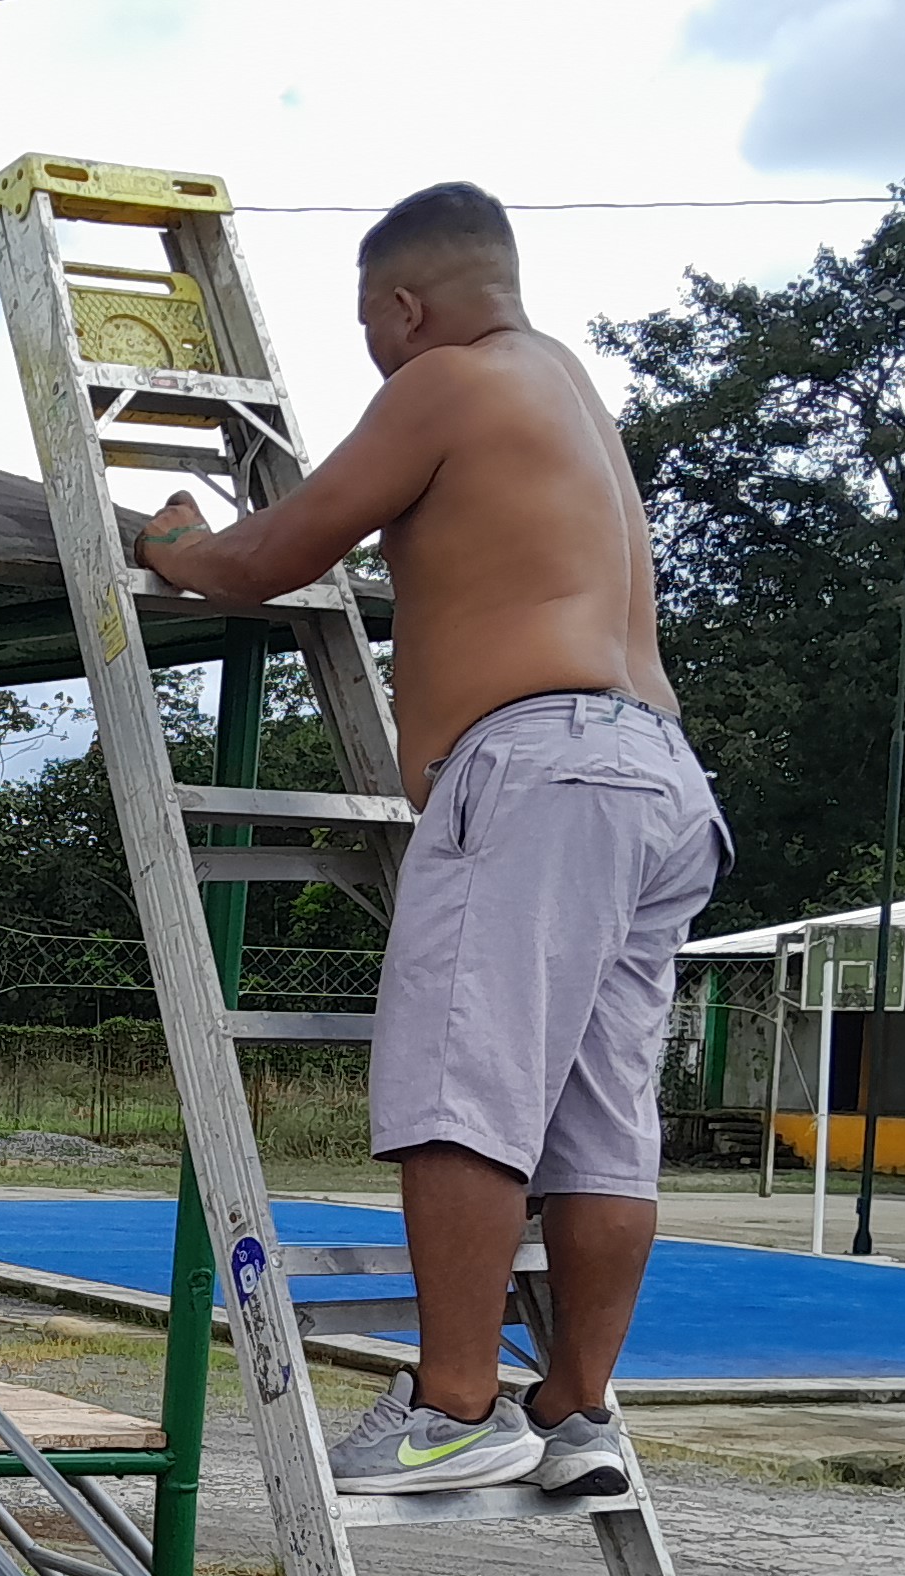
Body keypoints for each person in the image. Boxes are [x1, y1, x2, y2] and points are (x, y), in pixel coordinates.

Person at [139, 179, 725, 1500]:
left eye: (370, 326)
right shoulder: (568, 389)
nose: (373, 351)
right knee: (602, 1124)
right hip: (656, 776)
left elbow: (271, 556)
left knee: (465, 1087)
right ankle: (576, 1410)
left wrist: (181, 543)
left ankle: (454, 1406)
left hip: (540, 771)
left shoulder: (445, 382)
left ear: (403, 307)